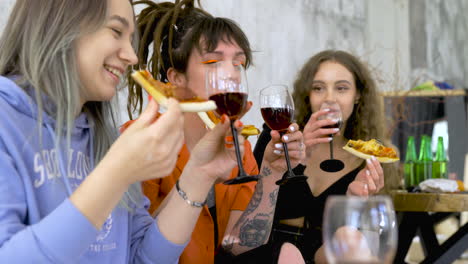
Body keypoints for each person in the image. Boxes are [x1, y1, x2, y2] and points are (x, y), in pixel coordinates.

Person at [0, 0, 266, 262]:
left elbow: (142, 257)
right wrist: (116, 172)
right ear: (58, 24)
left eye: (130, 39)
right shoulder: (7, 122)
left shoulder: (101, 137)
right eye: (116, 31)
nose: (132, 56)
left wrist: (199, 174)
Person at [124, 1, 305, 264]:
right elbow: (135, 249)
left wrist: (270, 172)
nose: (231, 74)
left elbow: (239, 245)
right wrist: (200, 176)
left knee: (287, 252)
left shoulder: (239, 148)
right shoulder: (142, 141)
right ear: (177, 78)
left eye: (239, 64)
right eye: (213, 62)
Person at [248, 50, 400, 263]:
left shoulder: (368, 156)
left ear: (357, 95)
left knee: (352, 242)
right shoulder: (279, 135)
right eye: (318, 88)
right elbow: (247, 204)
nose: (329, 98)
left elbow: (369, 239)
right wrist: (298, 158)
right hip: (272, 252)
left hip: (327, 255)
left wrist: (354, 204)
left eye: (341, 88)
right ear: (307, 95)